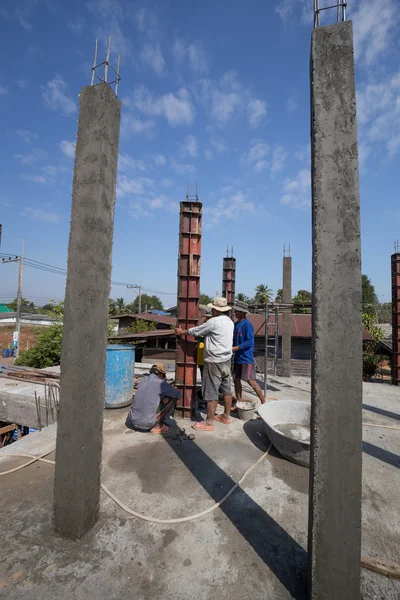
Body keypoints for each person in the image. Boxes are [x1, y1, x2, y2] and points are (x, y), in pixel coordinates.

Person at [176, 297, 234, 432]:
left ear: (215, 309)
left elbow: (197, 331)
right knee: (226, 389)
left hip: (214, 361)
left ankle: (208, 422)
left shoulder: (213, 322)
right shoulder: (229, 321)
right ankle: (226, 416)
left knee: (211, 392)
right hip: (226, 360)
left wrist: (182, 332)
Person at [125, 363, 181, 434]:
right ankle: (157, 426)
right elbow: (178, 394)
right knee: (170, 398)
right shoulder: (161, 384)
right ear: (161, 374)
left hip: (132, 420)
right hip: (146, 423)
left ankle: (152, 420)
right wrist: (169, 387)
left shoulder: (143, 379)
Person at [232, 300, 265, 407]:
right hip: (237, 358)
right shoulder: (236, 324)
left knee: (251, 382)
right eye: (235, 311)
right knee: (236, 379)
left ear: (242, 313)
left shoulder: (247, 325)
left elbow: (250, 341)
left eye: (237, 311)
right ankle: (239, 402)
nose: (235, 313)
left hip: (246, 358)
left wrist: (237, 347)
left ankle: (264, 405)